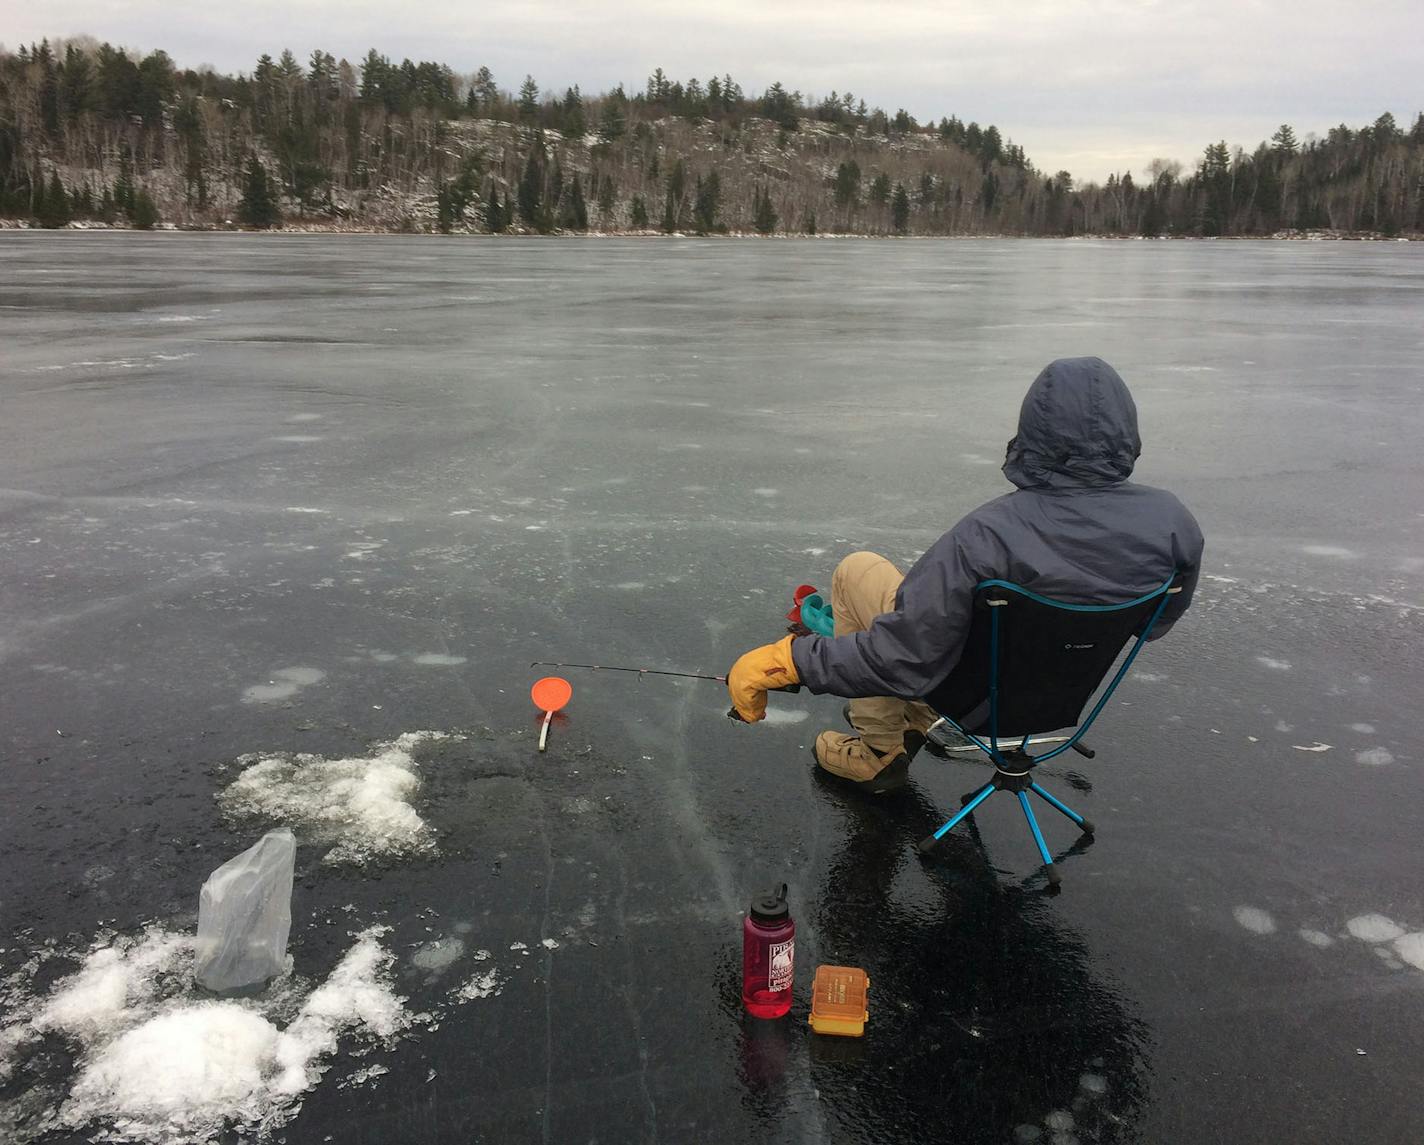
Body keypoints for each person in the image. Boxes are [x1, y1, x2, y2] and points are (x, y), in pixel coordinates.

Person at [726, 356, 1205, 792]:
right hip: (1062, 702)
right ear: (1127, 432)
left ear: (1034, 431)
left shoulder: (989, 534)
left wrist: (789, 661)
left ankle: (876, 750)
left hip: (969, 698)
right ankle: (914, 711)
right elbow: (1153, 624)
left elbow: (902, 657)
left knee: (858, 571)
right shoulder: (1173, 523)